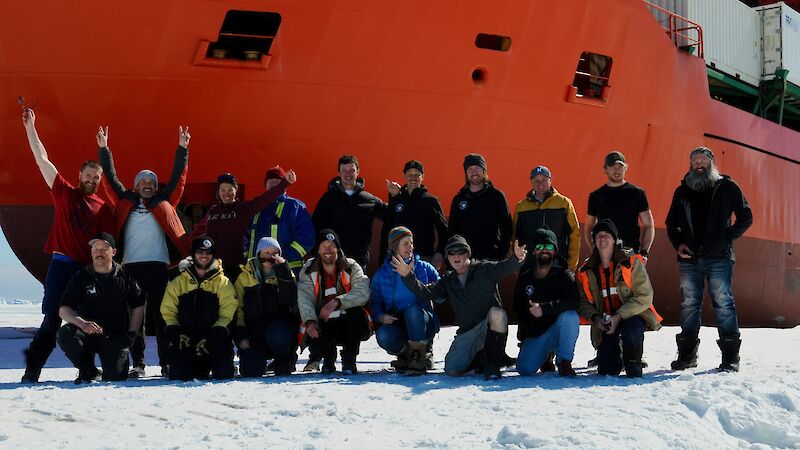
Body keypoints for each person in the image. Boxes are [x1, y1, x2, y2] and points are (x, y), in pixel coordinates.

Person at [20, 109, 115, 383]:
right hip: (61, 266)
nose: (91, 180)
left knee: (86, 322)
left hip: (85, 271)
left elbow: (106, 245)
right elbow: (42, 159)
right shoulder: (64, 192)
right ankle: (32, 371)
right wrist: (31, 127)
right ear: (80, 175)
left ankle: (86, 369)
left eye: (96, 178)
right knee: (51, 320)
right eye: (88, 175)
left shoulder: (102, 208)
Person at [97, 125, 191, 378]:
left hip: (160, 266)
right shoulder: (124, 199)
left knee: (163, 314)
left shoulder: (164, 202)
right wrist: (104, 149)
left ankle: (167, 362)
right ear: (136, 185)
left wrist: (183, 149)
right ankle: (137, 362)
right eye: (143, 182)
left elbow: (178, 180)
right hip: (131, 266)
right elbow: (109, 178)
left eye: (151, 183)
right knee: (134, 317)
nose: (148, 186)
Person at [666, 147, 753, 372]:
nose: (699, 164)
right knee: (689, 305)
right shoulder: (682, 191)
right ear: (690, 164)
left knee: (723, 303)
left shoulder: (727, 187)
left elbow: (746, 216)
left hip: (719, 257)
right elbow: (670, 223)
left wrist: (727, 237)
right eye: (695, 160)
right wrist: (679, 244)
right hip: (689, 259)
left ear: (712, 163)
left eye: (704, 160)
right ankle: (687, 356)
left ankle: (731, 358)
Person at [395, 235, 527, 380]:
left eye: (460, 252)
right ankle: (483, 364)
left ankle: (492, 364)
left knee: (498, 314)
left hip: (487, 327)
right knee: (451, 370)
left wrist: (516, 257)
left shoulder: (484, 269)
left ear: (468, 254)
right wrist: (408, 275)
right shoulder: (448, 281)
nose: (456, 256)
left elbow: (504, 267)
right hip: (467, 332)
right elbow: (426, 293)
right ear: (448, 257)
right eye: (452, 253)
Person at [575, 220, 662, 377]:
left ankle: (633, 359)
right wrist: (596, 319)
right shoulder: (585, 270)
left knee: (632, 334)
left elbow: (645, 296)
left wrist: (618, 316)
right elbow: (582, 302)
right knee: (607, 370)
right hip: (605, 322)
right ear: (594, 240)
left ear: (615, 239)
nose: (602, 240)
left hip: (630, 317)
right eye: (598, 236)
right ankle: (617, 354)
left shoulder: (632, 262)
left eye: (607, 236)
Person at [56, 233, 144, 383]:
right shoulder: (81, 277)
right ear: (91, 252)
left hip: (115, 336)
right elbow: (64, 309)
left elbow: (138, 306)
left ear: (114, 252)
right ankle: (87, 370)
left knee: (116, 378)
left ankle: (112, 365)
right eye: (95, 249)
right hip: (88, 334)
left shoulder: (125, 276)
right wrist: (83, 324)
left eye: (104, 248)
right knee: (65, 334)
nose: (99, 253)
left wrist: (131, 334)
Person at [193, 170, 295, 281]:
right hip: (213, 267)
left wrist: (285, 183)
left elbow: (265, 199)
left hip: (236, 269)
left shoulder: (243, 209)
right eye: (223, 190)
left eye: (230, 190)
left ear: (236, 190)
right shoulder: (213, 211)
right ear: (218, 191)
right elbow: (199, 234)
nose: (226, 193)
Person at [160, 237, 237, 381]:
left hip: (213, 342)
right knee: (178, 377)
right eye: (200, 251)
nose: (204, 255)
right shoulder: (178, 280)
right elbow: (167, 309)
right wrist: (176, 331)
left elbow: (228, 312)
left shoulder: (223, 282)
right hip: (186, 342)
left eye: (208, 252)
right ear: (193, 254)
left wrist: (214, 335)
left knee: (224, 375)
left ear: (213, 255)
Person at [297, 229, 372, 374]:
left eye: (332, 246)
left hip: (348, 323)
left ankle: (349, 360)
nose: (328, 250)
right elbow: (304, 298)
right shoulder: (308, 269)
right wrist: (310, 321)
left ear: (338, 248)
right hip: (323, 323)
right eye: (324, 246)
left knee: (357, 314)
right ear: (318, 250)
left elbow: (363, 291)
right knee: (316, 324)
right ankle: (327, 359)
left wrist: (337, 302)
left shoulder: (351, 266)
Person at [371, 226, 440, 374]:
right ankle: (406, 354)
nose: (411, 247)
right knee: (383, 335)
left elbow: (442, 291)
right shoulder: (382, 274)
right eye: (406, 243)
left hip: (422, 320)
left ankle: (419, 356)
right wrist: (380, 316)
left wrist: (432, 289)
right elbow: (375, 301)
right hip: (398, 320)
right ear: (395, 247)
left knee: (412, 309)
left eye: (411, 243)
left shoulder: (425, 268)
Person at [513, 229, 580, 377]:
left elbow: (575, 302)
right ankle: (546, 354)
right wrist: (524, 336)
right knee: (524, 369)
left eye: (549, 247)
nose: (545, 250)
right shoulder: (525, 277)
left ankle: (563, 361)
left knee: (571, 316)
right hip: (535, 334)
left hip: (557, 329)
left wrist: (544, 309)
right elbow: (517, 307)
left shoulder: (564, 274)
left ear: (555, 251)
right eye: (540, 247)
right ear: (534, 252)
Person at [234, 237, 300, 377]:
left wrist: (283, 271)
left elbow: (291, 300)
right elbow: (237, 307)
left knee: (278, 333)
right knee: (250, 372)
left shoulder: (286, 272)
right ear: (258, 254)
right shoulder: (245, 277)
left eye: (274, 253)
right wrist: (241, 333)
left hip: (278, 329)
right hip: (254, 331)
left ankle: (283, 359)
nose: (270, 257)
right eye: (266, 253)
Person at [312, 155, 386, 268]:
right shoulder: (328, 199)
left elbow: (390, 214)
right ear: (339, 173)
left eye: (352, 170)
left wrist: (395, 196)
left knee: (359, 286)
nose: (348, 174)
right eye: (344, 171)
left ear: (358, 172)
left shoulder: (368, 199)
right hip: (333, 259)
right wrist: (317, 252)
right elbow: (316, 225)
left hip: (359, 260)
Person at [244, 166, 315, 276]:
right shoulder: (257, 208)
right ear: (265, 185)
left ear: (284, 185)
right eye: (270, 182)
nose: (274, 185)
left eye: (277, 182)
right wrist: (247, 257)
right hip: (257, 272)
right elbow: (246, 237)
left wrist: (283, 257)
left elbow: (306, 238)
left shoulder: (295, 207)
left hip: (287, 271)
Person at [380, 160, 448, 270]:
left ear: (423, 177)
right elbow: (387, 228)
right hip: (398, 259)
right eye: (410, 174)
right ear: (405, 176)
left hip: (423, 258)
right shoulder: (397, 199)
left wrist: (439, 253)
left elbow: (444, 230)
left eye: (417, 174)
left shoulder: (431, 201)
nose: (413, 177)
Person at [584, 151, 654, 258]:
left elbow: (648, 225)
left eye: (620, 166)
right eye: (612, 166)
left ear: (626, 168)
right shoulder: (596, 196)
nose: (616, 170)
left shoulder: (637, 193)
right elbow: (589, 226)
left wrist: (644, 253)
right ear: (605, 169)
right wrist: (594, 248)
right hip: (604, 256)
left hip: (630, 254)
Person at [513, 165, 580, 271]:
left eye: (544, 180)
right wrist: (516, 265)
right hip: (530, 266)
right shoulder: (521, 207)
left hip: (558, 266)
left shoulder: (564, 203)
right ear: (531, 181)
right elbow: (514, 238)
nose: (540, 184)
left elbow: (575, 235)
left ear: (551, 180)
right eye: (536, 180)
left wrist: (571, 265)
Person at [448, 154, 512, 260]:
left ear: (484, 171)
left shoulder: (497, 196)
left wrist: (501, 252)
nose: (474, 172)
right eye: (470, 169)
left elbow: (506, 226)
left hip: (491, 259)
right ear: (466, 173)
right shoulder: (459, 199)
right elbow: (452, 230)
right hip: (465, 259)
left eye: (477, 168)